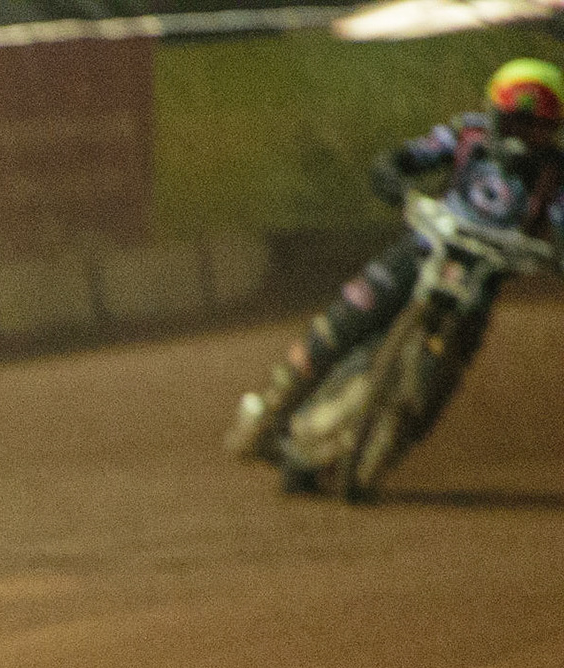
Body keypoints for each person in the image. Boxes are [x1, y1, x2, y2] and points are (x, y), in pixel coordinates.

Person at [228, 58, 564, 481]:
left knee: (443, 378)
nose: (524, 138)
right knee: (342, 324)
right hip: (424, 249)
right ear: (497, 117)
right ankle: (273, 404)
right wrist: (398, 185)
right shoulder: (466, 135)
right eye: (516, 123)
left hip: (483, 277)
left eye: (536, 128)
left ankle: (385, 439)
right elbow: (401, 160)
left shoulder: (556, 173)